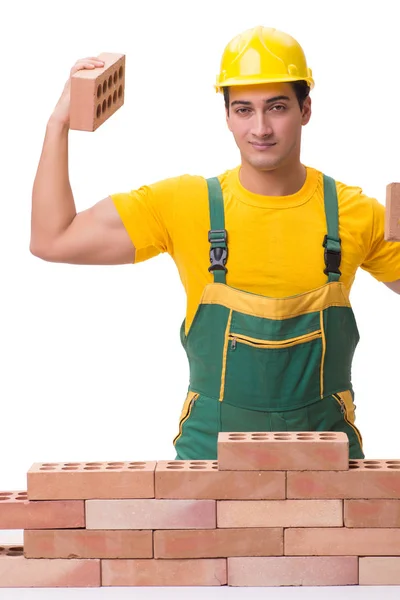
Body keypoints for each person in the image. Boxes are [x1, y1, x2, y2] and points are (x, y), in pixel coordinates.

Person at [30, 26, 400, 461]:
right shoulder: (184, 204)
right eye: (244, 109)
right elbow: (52, 239)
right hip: (209, 467)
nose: (260, 128)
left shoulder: (356, 213)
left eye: (276, 107)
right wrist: (57, 125)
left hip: (329, 469)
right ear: (227, 116)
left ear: (306, 109)